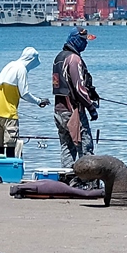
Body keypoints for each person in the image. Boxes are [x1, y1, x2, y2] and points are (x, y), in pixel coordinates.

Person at [50, 29, 99, 162]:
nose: (86, 43)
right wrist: (91, 108)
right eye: (83, 40)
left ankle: (67, 174)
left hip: (59, 112)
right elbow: (79, 88)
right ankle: (87, 175)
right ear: (75, 40)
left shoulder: (59, 58)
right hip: (73, 112)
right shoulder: (74, 59)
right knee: (85, 149)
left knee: (67, 149)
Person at [0, 46, 50, 156]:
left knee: (0, 143)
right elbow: (24, 93)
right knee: (10, 143)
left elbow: (16, 91)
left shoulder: (10, 65)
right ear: (31, 60)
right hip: (9, 113)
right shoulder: (21, 69)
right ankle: (10, 165)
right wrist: (39, 101)